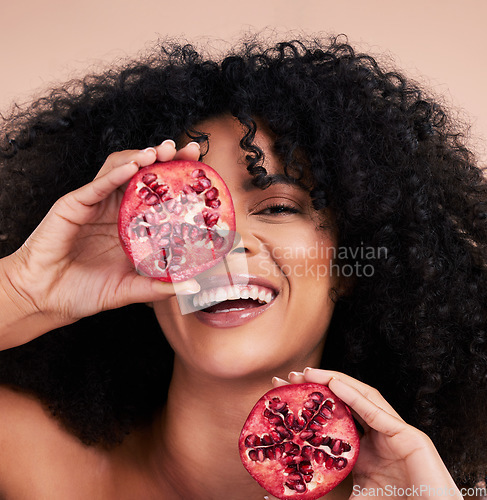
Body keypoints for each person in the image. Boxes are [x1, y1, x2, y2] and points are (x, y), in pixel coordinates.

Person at [0, 34, 485, 499]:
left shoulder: (426, 491)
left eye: (277, 207)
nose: (224, 243)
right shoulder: (23, 459)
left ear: (349, 260)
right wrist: (23, 293)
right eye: (185, 215)